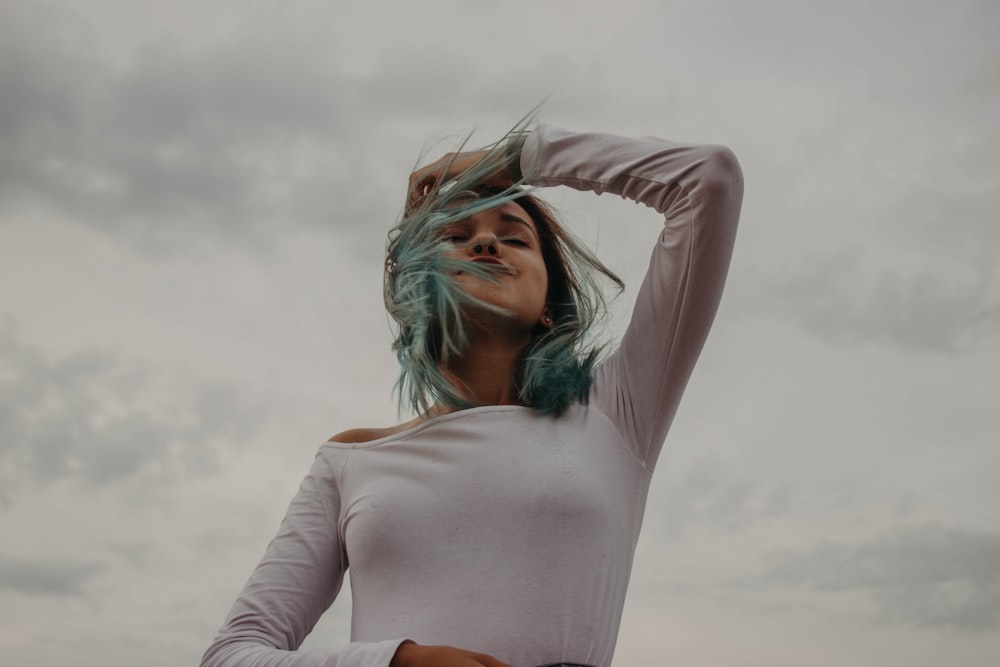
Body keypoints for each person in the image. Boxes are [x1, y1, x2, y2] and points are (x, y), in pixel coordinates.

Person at [200, 117, 744, 667]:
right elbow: (230, 656)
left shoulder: (617, 412)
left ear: (549, 307)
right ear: (415, 288)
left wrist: (507, 160)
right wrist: (398, 662)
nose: (486, 240)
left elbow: (706, 179)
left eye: (514, 237)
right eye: (454, 236)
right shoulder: (350, 461)